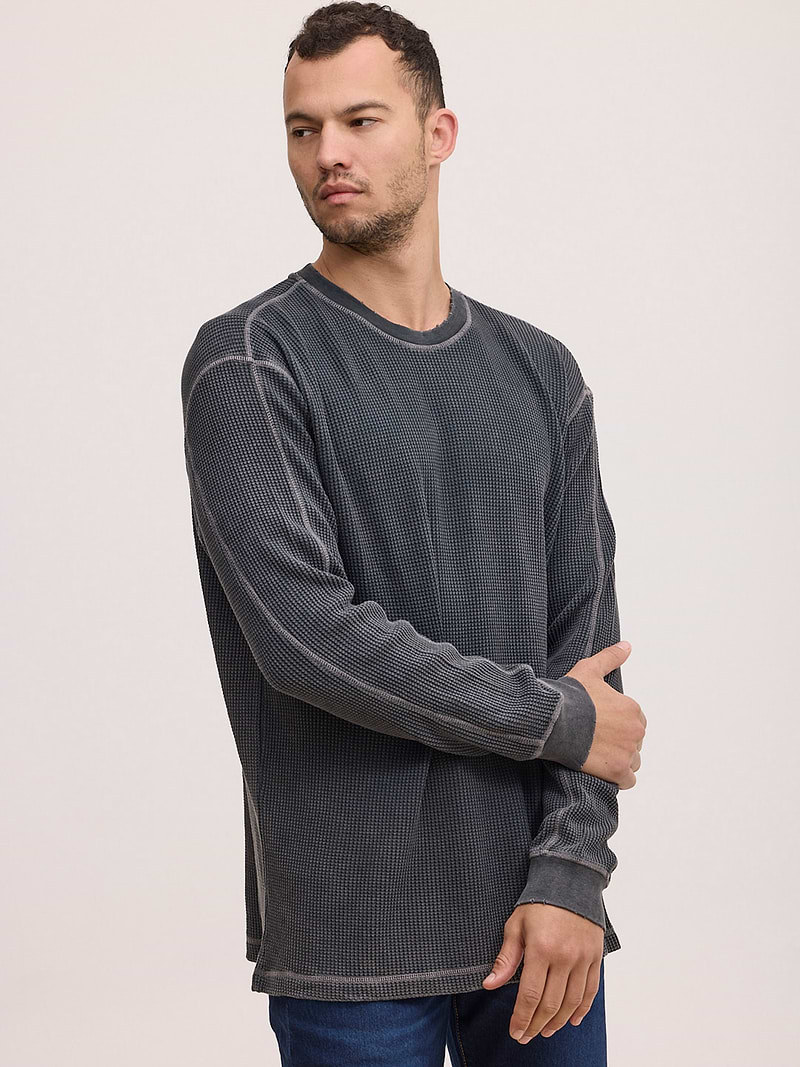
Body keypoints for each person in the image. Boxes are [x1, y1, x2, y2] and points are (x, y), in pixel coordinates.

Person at [180, 3, 646, 1063]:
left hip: (543, 918)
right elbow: (308, 638)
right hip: (354, 939)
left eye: (360, 120)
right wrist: (554, 719)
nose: (327, 154)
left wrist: (574, 870)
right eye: (303, 128)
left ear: (439, 133)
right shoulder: (250, 359)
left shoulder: (540, 370)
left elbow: (592, 650)